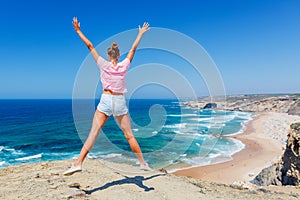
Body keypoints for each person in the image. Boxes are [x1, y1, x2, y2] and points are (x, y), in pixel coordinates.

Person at [63, 17, 151, 176]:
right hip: (119, 101)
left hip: (106, 100)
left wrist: (77, 30)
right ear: (118, 56)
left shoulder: (103, 64)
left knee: (94, 133)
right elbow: (133, 49)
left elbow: (89, 45)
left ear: (109, 56)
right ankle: (143, 163)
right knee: (129, 135)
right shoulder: (124, 65)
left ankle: (78, 164)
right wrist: (140, 34)